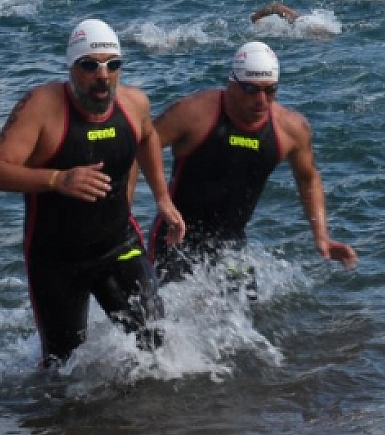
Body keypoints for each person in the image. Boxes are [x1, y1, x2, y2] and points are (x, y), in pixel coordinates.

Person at [0, 20, 185, 367]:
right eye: (90, 66)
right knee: (61, 366)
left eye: (112, 65)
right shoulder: (41, 107)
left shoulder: (134, 104)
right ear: (71, 67)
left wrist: (162, 199)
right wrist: (58, 179)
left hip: (117, 244)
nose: (103, 76)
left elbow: (148, 137)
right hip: (56, 258)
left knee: (154, 341)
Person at [151, 42, 357, 289]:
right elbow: (141, 145)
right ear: (232, 84)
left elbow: (308, 178)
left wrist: (321, 236)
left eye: (270, 90)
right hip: (173, 238)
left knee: (243, 311)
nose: (261, 100)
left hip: (231, 245)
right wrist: (157, 199)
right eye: (251, 89)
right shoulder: (194, 114)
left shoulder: (290, 129)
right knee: (156, 310)